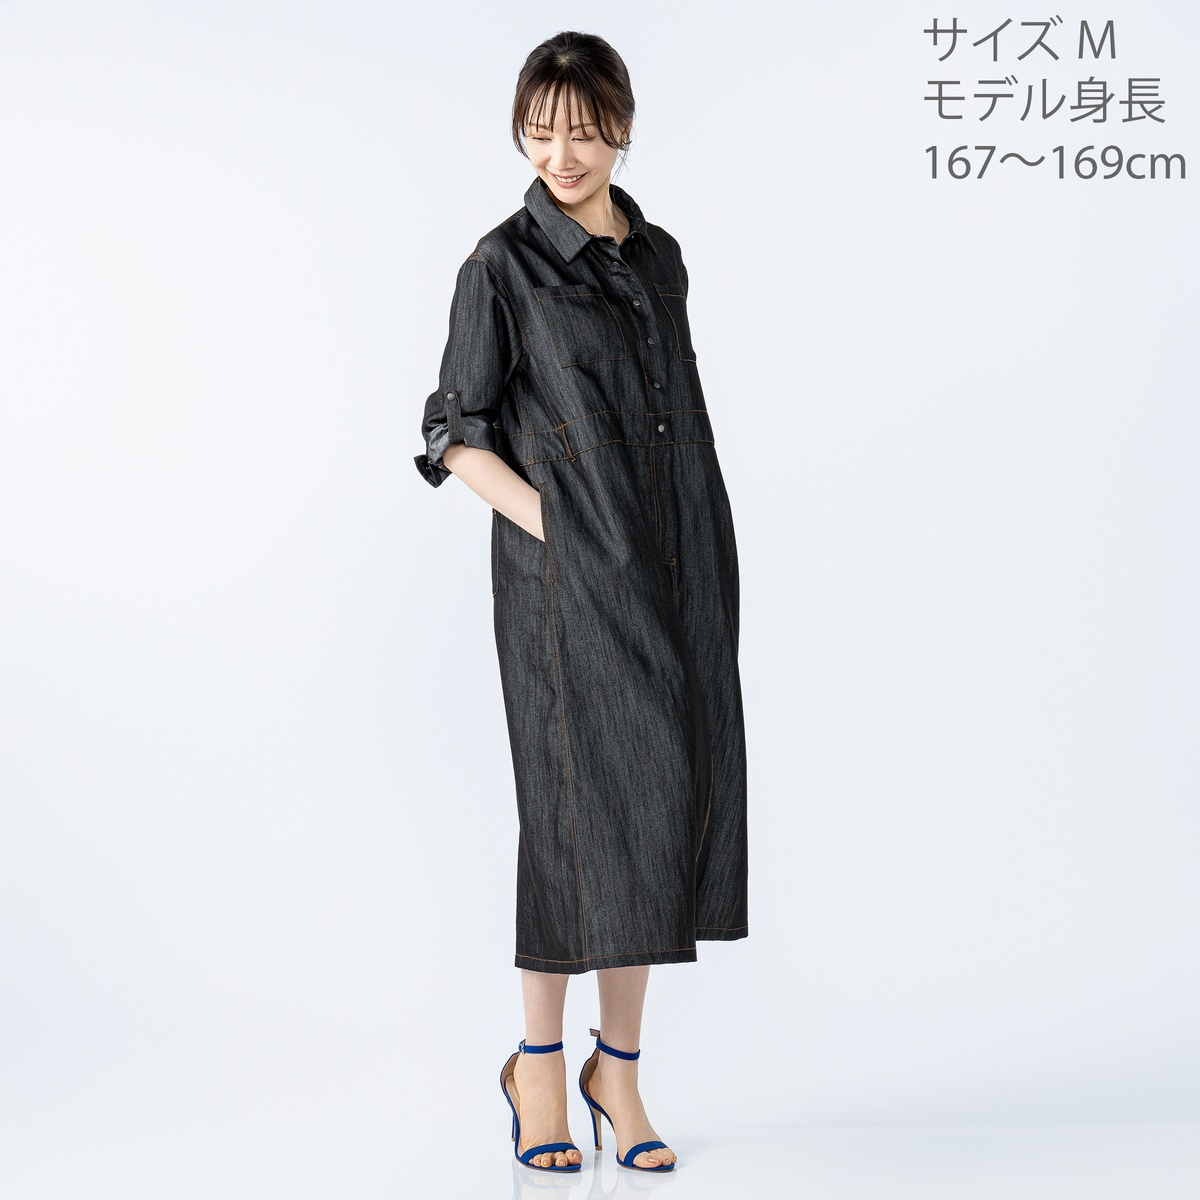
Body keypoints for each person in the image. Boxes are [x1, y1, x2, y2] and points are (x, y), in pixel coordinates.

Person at [415, 31, 747, 1174]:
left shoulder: (660, 257)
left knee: (658, 808)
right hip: (564, 588)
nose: (561, 153)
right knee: (571, 821)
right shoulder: (500, 266)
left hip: (681, 564)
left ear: (622, 128)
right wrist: (567, 528)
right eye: (541, 130)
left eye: (584, 130)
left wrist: (675, 546)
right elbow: (453, 433)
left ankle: (623, 1073)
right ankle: (540, 1070)